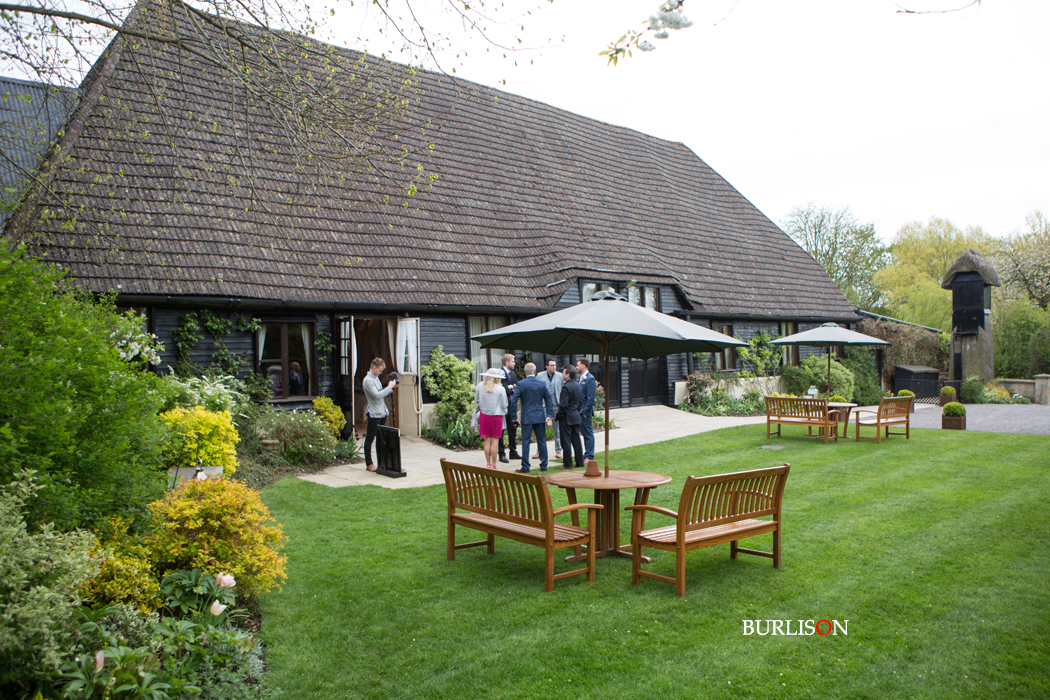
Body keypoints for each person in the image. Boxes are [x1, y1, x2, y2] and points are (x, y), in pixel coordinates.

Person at [510, 362, 554, 473]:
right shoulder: (542, 383)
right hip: (539, 416)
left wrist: (514, 417)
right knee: (542, 441)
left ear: (524, 371)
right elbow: (549, 400)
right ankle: (544, 464)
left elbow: (513, 401)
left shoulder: (521, 384)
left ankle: (525, 466)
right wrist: (549, 415)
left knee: (525, 442)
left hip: (527, 417)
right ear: (535, 371)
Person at [363, 357, 397, 472]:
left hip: (382, 412)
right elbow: (377, 395)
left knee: (381, 439)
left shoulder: (375, 378)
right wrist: (389, 387)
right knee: (370, 438)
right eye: (380, 370)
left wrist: (390, 388)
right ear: (374, 367)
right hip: (374, 414)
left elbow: (381, 393)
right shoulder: (368, 380)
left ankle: (382, 462)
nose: (381, 372)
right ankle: (369, 463)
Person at [475, 367, 508, 469]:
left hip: (484, 415)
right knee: (495, 440)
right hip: (496, 416)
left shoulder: (480, 386)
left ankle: (488, 463)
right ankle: (494, 464)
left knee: (487, 440)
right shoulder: (500, 388)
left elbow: (477, 400)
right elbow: (504, 404)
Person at [556, 365, 584, 469]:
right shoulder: (578, 385)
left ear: (568, 374)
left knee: (566, 441)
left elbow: (563, 404)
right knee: (576, 440)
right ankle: (580, 462)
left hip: (567, 417)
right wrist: (576, 410)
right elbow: (580, 402)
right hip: (575, 415)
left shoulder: (566, 387)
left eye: (563, 373)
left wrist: (560, 415)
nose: (562, 374)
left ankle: (567, 464)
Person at [535, 358, 564, 460]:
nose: (554, 367)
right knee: (540, 430)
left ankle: (558, 450)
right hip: (543, 406)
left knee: (557, 430)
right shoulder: (539, 375)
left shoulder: (560, 376)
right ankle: (539, 451)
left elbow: (564, 390)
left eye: (555, 365)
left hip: (556, 405)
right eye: (552, 365)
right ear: (546, 366)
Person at [497, 353, 520, 464]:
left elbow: (516, 388)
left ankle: (513, 451)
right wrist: (511, 388)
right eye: (512, 361)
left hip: (512, 406)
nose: (514, 363)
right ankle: (501, 453)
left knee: (512, 429)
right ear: (507, 362)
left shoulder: (513, 374)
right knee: (501, 430)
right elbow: (506, 390)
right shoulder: (500, 374)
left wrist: (512, 387)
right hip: (502, 406)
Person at [576, 358, 597, 461]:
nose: (576, 367)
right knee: (584, 433)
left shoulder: (590, 379)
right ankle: (587, 452)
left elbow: (590, 398)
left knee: (588, 434)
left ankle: (589, 456)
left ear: (583, 366)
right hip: (579, 410)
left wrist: (585, 412)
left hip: (585, 412)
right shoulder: (581, 378)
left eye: (578, 365)